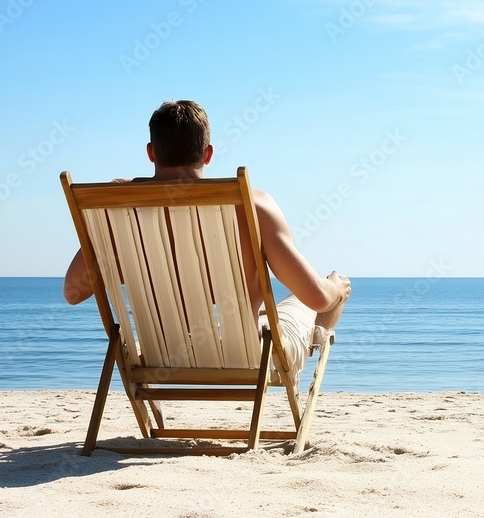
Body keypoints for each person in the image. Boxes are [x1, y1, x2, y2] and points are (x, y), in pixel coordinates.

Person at [63, 100, 350, 374]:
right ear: (208, 154)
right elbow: (316, 298)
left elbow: (73, 293)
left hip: (158, 359)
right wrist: (335, 289)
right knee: (324, 294)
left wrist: (105, 216)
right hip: (251, 361)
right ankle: (304, 340)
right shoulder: (253, 204)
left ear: (151, 152)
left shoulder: (116, 214)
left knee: (277, 313)